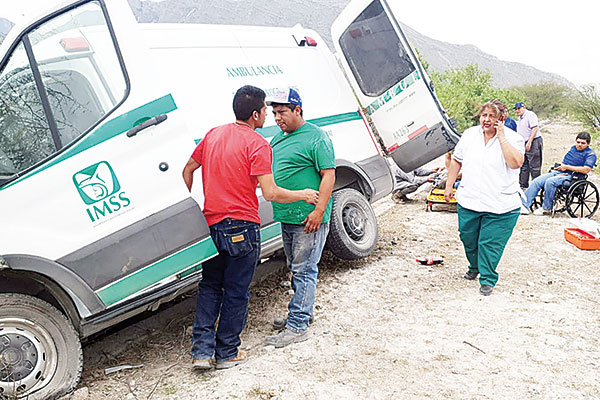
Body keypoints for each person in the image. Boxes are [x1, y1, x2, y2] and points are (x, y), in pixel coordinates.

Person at [182, 85, 319, 370]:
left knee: (210, 286)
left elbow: (188, 170)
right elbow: (270, 193)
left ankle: (202, 352)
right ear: (256, 114)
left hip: (211, 223)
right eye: (266, 112)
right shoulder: (258, 144)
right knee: (236, 290)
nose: (268, 116)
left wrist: (192, 208)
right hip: (242, 225)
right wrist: (303, 194)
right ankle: (228, 352)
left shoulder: (213, 135)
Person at [264, 88, 336, 348]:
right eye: (274, 113)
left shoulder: (316, 137)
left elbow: (329, 175)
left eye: (282, 112)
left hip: (309, 218)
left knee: (305, 270)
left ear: (298, 110)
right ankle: (301, 312)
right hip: (288, 216)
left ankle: (298, 326)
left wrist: (318, 212)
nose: (277, 118)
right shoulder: (279, 138)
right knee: (296, 268)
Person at [444, 100, 524, 296]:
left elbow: (516, 163)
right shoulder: (470, 135)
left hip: (501, 205)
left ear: (501, 119)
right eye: (484, 115)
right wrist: (449, 185)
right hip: (469, 199)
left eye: (492, 116)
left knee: (489, 243)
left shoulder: (514, 139)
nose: (486, 120)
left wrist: (502, 137)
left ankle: (487, 278)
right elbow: (457, 160)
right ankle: (474, 267)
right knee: (468, 237)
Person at [522, 132, 597, 215]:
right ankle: (524, 205)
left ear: (588, 144)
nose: (579, 145)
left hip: (573, 177)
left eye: (583, 143)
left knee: (550, 182)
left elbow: (586, 170)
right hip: (560, 172)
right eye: (578, 142)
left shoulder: (590, 154)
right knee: (536, 181)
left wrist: (567, 167)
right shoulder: (573, 149)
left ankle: (546, 208)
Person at [515, 102, 542, 189]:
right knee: (524, 165)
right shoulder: (519, 118)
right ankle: (523, 186)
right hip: (523, 142)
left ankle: (536, 186)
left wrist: (530, 142)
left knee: (534, 165)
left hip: (533, 141)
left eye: (519, 108)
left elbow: (535, 128)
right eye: (516, 109)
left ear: (524, 107)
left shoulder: (530, 114)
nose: (517, 110)